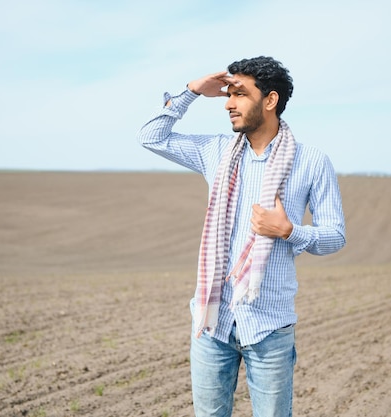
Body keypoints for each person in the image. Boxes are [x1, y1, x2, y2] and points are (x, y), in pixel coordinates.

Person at [137, 56, 346, 417]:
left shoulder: (312, 162)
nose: (229, 104)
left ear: (270, 100)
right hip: (211, 324)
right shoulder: (215, 152)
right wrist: (191, 92)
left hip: (268, 327)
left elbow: (335, 235)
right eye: (228, 95)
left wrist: (289, 231)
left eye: (240, 95)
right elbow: (150, 137)